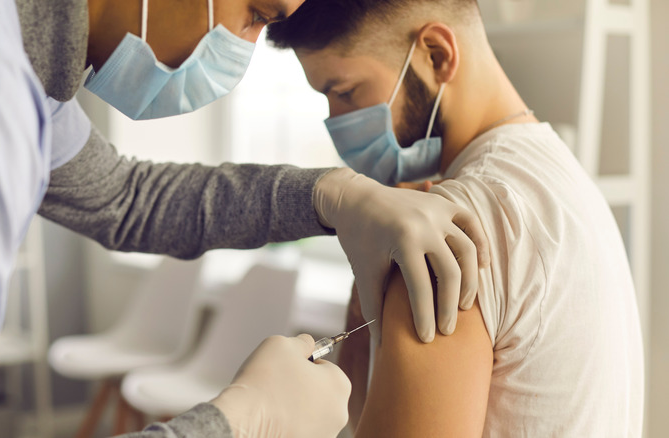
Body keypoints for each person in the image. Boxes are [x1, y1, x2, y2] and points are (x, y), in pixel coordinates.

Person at [0, 0, 492, 436]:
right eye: (255, 15)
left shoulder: (6, 56)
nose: (243, 54)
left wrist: (329, 195)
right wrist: (237, 422)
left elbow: (125, 197)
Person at [267, 0, 644, 436]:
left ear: (436, 55)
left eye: (346, 90)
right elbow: (367, 413)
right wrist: (364, 277)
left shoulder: (456, 222)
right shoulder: (562, 178)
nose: (335, 119)